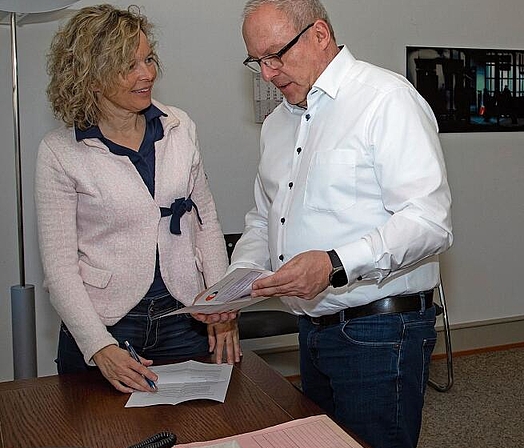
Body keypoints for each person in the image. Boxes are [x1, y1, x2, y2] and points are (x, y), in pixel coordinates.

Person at [201, 1, 453, 447]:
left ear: (320, 35)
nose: (267, 73)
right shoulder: (277, 123)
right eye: (256, 61)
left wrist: (335, 263)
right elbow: (264, 217)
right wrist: (236, 281)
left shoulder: (385, 100)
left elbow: (429, 221)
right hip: (313, 328)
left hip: (380, 332)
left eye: (276, 55)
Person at [35, 4, 239, 394]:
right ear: (91, 77)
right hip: (106, 324)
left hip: (185, 318)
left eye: (147, 58)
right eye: (128, 66)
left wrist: (218, 303)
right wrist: (99, 347)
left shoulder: (180, 128)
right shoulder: (60, 151)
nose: (147, 74)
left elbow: (206, 222)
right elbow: (59, 269)